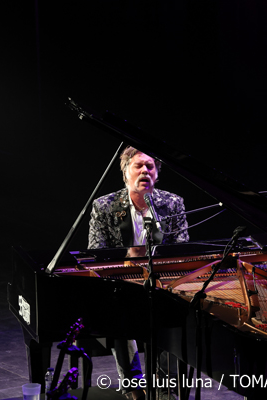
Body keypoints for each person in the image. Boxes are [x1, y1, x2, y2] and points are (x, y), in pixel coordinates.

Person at [88, 146, 189, 400]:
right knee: (118, 310)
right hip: (122, 281)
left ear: (157, 174)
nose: (145, 170)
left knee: (171, 311)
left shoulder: (173, 203)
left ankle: (163, 387)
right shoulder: (104, 206)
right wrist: (128, 257)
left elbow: (182, 250)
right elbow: (96, 255)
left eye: (150, 166)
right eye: (138, 166)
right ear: (125, 173)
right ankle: (133, 387)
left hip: (162, 281)